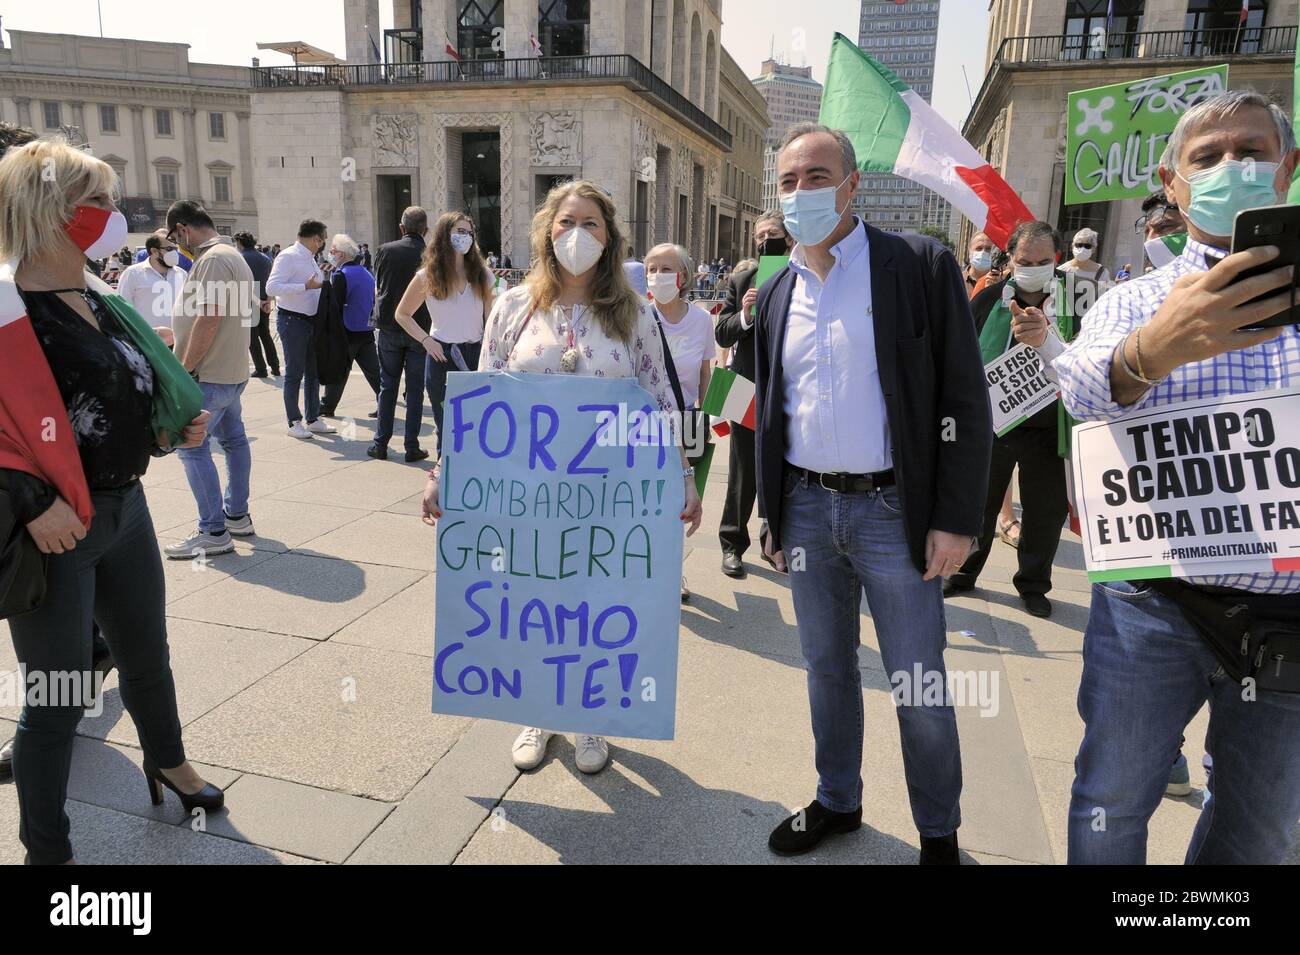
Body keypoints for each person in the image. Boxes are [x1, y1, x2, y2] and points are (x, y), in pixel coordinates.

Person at [1055, 91, 1300, 864]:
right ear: (1173, 180)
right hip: (1152, 604)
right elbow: (1080, 391)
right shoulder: (1132, 300)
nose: (1235, 167)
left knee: (1262, 828)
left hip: (1287, 611)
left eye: (1253, 152)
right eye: (1210, 157)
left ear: (1288, 167)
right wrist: (1150, 351)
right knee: (1111, 798)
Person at [754, 124, 990, 862]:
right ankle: (838, 799)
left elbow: (963, 395)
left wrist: (956, 518)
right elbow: (770, 407)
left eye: (817, 176)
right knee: (827, 671)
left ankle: (938, 831)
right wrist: (770, 509)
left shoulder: (917, 265)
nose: (801, 193)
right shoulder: (776, 290)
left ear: (853, 185)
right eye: (789, 181)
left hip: (896, 513)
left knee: (917, 681)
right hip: (807, 509)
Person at [422, 179, 703, 776]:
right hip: (526, 496)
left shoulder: (635, 314)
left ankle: (595, 713)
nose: (578, 234)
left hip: (609, 495)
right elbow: (483, 397)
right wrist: (445, 472)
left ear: (610, 236)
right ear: (548, 232)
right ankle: (539, 708)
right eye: (566, 222)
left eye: (592, 224)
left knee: (598, 599)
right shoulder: (512, 306)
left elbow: (658, 399)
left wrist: (683, 475)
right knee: (533, 596)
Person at [0, 138, 222, 864]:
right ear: (51, 211)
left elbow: (117, 402)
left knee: (146, 656)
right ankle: (47, 848)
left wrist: (170, 426)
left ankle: (168, 760)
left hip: (125, 509)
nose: (112, 213)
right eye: (95, 201)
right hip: (56, 529)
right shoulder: (7, 307)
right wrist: (31, 501)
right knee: (59, 694)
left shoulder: (96, 294)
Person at [944, 221, 1085, 618]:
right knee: (979, 505)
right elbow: (961, 355)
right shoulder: (988, 300)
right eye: (1025, 260)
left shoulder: (1078, 299)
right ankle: (963, 572)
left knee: (1044, 512)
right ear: (1010, 259)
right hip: (994, 426)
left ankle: (1034, 584)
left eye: (1043, 261)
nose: (1034, 267)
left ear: (1057, 259)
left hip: (1052, 428)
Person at [164, 200, 258, 559]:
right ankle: (235, 514)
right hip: (228, 369)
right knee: (233, 440)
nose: (177, 246)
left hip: (210, 373)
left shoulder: (213, 259)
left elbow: (210, 316)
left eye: (175, 239)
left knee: (191, 447)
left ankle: (212, 530)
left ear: (183, 229)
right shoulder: (230, 255)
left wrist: (183, 369)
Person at [715, 211, 791, 578]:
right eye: (759, 236)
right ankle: (732, 544)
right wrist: (746, 313)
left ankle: (772, 541)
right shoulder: (742, 279)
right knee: (742, 472)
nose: (765, 241)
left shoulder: (802, 277)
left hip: (788, 389)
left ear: (789, 239)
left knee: (782, 470)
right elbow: (723, 333)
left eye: (772, 234)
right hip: (743, 387)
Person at [391, 212, 492, 458]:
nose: (465, 237)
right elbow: (402, 314)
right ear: (444, 235)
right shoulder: (427, 276)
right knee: (445, 422)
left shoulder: (483, 275)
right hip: (441, 356)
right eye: (459, 231)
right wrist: (427, 340)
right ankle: (444, 476)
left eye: (469, 232)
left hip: (475, 354)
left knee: (477, 423)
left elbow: (490, 321)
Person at [646, 242, 715, 601]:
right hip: (642, 425)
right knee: (646, 502)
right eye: (652, 268)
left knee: (679, 504)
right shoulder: (638, 317)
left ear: (684, 275)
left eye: (666, 268)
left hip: (685, 421)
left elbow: (705, 373)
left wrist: (707, 416)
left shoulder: (701, 320)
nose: (658, 276)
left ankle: (674, 572)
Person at [371, 206, 431, 462]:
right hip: (419, 328)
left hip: (390, 326)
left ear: (402, 227)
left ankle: (380, 443)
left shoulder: (385, 250)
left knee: (388, 385)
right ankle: (411, 445)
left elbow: (380, 284)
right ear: (426, 230)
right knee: (415, 389)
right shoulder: (431, 254)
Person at [267, 218, 336, 440]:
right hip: (292, 320)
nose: (323, 244)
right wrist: (304, 286)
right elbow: (272, 287)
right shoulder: (288, 256)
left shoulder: (310, 258)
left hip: (309, 321)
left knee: (313, 372)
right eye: (323, 239)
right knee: (295, 372)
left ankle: (313, 418)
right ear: (316, 238)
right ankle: (293, 421)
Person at [318, 233, 381, 419]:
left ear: (342, 255)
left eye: (333, 251)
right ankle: (385, 402)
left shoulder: (341, 275)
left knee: (338, 369)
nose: (330, 254)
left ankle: (327, 406)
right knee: (374, 372)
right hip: (366, 329)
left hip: (347, 330)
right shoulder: (366, 273)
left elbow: (335, 304)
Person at [114, 230, 184, 346]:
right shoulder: (133, 274)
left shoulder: (182, 274)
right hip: (146, 342)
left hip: (177, 343)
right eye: (169, 249)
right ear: (154, 251)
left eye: (175, 249)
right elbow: (122, 309)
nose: (174, 253)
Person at [234, 231, 279, 379]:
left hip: (249, 300)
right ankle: (275, 366)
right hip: (264, 299)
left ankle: (261, 368)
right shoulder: (265, 258)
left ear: (240, 242)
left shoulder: (241, 258)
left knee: (252, 337)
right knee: (265, 334)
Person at [964, 231, 997, 298]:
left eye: (988, 249)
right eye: (979, 248)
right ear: (970, 252)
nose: (983, 253)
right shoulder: (956, 279)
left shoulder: (1000, 284)